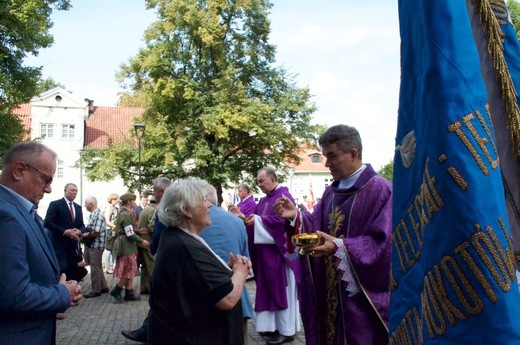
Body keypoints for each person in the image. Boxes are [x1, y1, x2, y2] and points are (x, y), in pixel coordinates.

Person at [274, 124, 392, 345]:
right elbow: (315, 225)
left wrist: (339, 247)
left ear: (353, 154)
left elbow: (384, 244)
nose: (327, 163)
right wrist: (295, 217)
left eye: (332, 156)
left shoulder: (381, 190)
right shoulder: (332, 191)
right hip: (329, 291)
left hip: (358, 302)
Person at [148, 177, 251, 344]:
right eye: (203, 200)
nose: (209, 205)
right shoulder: (184, 245)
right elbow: (227, 300)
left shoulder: (177, 237)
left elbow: (196, 280)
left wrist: (225, 269)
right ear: (187, 210)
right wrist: (240, 272)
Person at [0, 141, 82, 344]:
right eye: (45, 179)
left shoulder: (19, 210)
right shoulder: (5, 215)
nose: (48, 189)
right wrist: (62, 293)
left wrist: (55, 284)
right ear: (19, 170)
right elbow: (14, 295)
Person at [232, 167, 301, 345]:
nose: (259, 184)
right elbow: (254, 220)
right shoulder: (263, 201)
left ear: (272, 179)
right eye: (258, 182)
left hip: (279, 256)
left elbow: (284, 225)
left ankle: (286, 331)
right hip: (265, 256)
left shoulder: (284, 197)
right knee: (267, 291)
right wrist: (244, 218)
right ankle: (270, 327)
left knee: (280, 290)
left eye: (261, 181)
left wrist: (259, 221)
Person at [200, 184, 254, 345]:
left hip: (206, 295)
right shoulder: (236, 221)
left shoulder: (193, 221)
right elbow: (245, 260)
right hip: (237, 292)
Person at [121, 177, 171, 343]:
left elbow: (159, 232)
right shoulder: (172, 204)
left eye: (154, 190)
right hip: (164, 253)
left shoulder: (165, 207)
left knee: (159, 295)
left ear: (161, 191)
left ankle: (148, 331)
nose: (153, 194)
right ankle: (147, 330)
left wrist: (149, 244)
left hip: (164, 255)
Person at [109, 192, 149, 302]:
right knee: (130, 269)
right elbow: (129, 234)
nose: (135, 203)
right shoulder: (126, 214)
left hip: (127, 245)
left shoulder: (124, 213)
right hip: (126, 246)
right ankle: (117, 290)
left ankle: (129, 293)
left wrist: (138, 231)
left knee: (130, 269)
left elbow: (127, 229)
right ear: (129, 202)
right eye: (134, 201)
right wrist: (142, 241)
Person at [44, 183, 88, 282]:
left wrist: (80, 231)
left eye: (76, 191)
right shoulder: (56, 204)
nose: (75, 192)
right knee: (62, 272)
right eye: (72, 190)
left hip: (72, 248)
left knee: (72, 272)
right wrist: (64, 232)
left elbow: (82, 225)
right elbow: (47, 222)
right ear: (65, 191)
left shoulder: (78, 207)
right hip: (59, 246)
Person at [82, 196, 109, 298]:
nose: (84, 205)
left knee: (94, 267)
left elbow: (96, 232)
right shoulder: (94, 215)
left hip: (96, 245)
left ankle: (95, 290)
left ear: (91, 204)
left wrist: (85, 235)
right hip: (93, 245)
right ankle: (103, 287)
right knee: (97, 266)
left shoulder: (98, 215)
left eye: (86, 203)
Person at [136, 196, 157, 295]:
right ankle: (155, 289)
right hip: (147, 241)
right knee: (151, 265)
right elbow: (151, 226)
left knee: (144, 266)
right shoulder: (153, 211)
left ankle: (144, 288)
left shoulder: (145, 210)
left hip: (141, 241)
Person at [103, 192, 119, 274]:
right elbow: (107, 221)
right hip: (109, 230)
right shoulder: (108, 208)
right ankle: (108, 267)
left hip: (114, 230)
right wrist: (114, 227)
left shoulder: (116, 208)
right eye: (116, 199)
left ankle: (114, 266)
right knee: (108, 249)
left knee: (114, 249)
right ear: (112, 200)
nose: (117, 201)